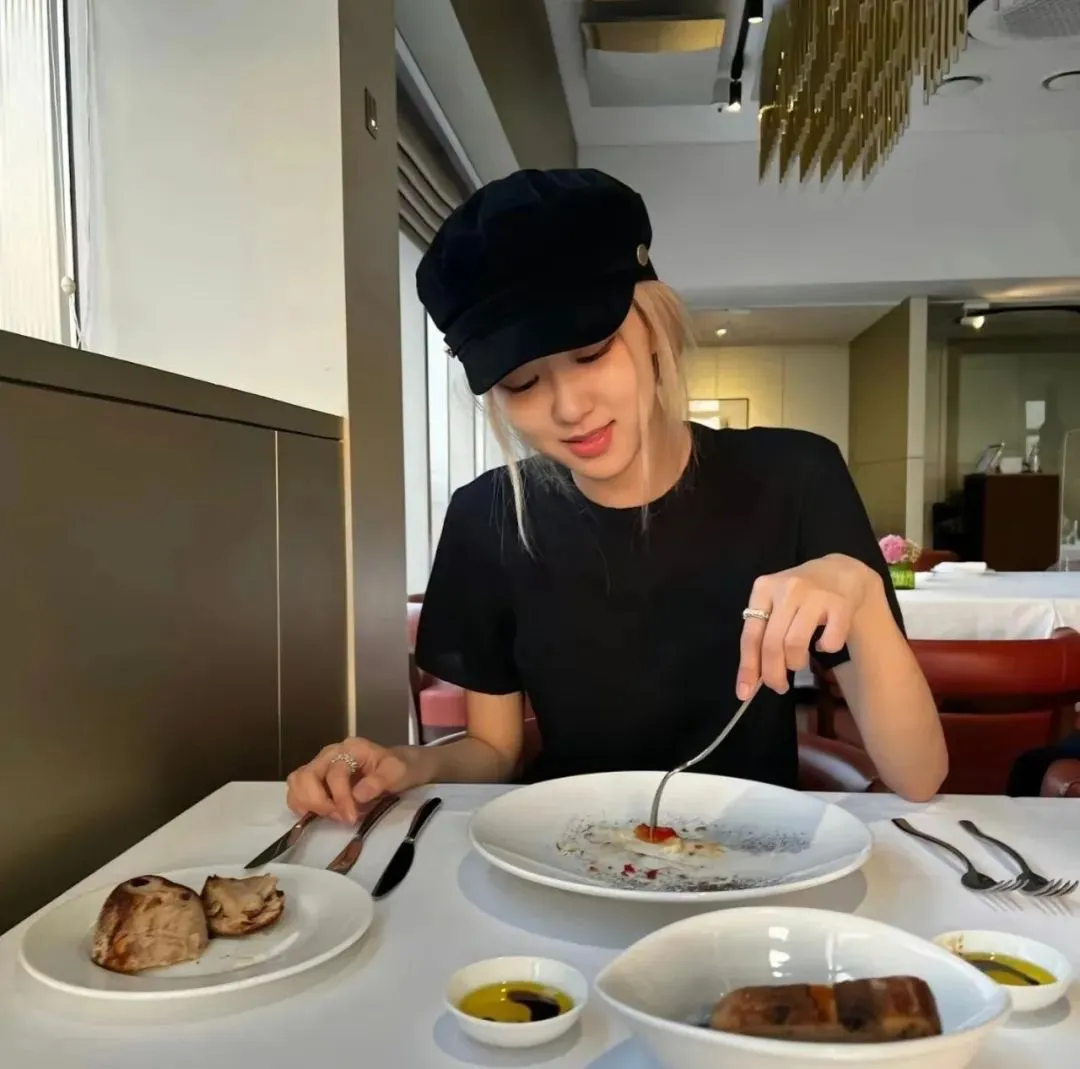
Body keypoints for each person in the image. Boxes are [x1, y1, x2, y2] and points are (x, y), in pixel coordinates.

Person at [287, 168, 947, 823]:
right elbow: (494, 750)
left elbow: (919, 776)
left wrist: (860, 591)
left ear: (654, 328)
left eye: (593, 352)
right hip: (563, 852)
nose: (569, 407)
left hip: (755, 855)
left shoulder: (796, 476)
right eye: (522, 383)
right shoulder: (487, 517)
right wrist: (407, 765)